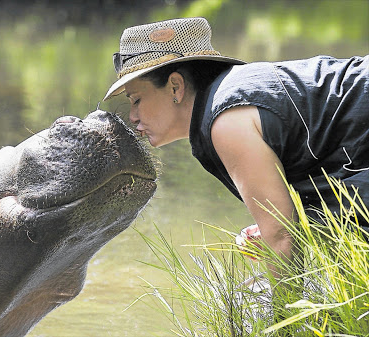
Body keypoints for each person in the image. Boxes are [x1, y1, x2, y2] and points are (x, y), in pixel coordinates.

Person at [103, 17, 369, 277]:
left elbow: (282, 236)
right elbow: (290, 219)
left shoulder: (226, 122)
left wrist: (282, 320)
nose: (133, 117)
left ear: (175, 86)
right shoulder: (228, 96)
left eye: (136, 99)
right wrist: (276, 226)